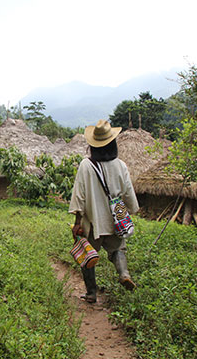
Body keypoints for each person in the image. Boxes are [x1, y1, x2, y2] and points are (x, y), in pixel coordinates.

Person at [69, 119, 139, 303]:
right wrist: (131, 210)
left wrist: (77, 222)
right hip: (115, 218)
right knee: (117, 249)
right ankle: (123, 273)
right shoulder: (120, 165)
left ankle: (91, 293)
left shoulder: (86, 165)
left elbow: (79, 196)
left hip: (92, 221)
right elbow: (128, 191)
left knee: (88, 255)